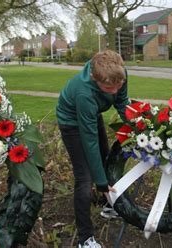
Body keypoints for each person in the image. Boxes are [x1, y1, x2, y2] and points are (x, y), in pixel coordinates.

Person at [56, 50, 129, 248]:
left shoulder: (118, 73)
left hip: (92, 114)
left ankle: (107, 207)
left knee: (105, 160)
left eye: (118, 85)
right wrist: (101, 182)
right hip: (71, 122)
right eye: (108, 87)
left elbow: (122, 102)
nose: (114, 91)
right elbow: (89, 142)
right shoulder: (84, 93)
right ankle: (85, 239)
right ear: (95, 79)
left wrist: (137, 126)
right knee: (85, 178)